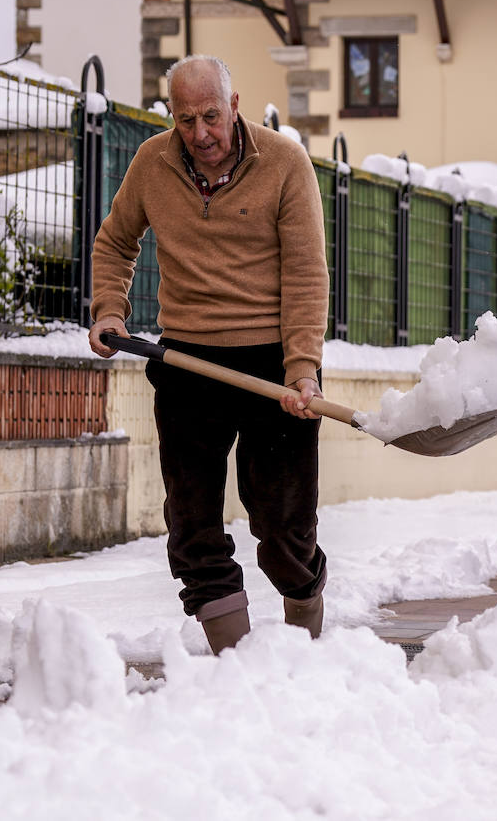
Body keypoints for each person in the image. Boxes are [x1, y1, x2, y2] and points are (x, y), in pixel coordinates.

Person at [88, 55, 330, 655]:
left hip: (273, 366)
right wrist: (108, 309)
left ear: (236, 105)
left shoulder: (284, 162)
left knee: (283, 528)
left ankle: (306, 628)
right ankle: (234, 667)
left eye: (211, 117)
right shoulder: (152, 162)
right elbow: (116, 241)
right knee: (192, 526)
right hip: (188, 364)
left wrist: (302, 369)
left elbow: (305, 273)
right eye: (186, 118)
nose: (200, 134)